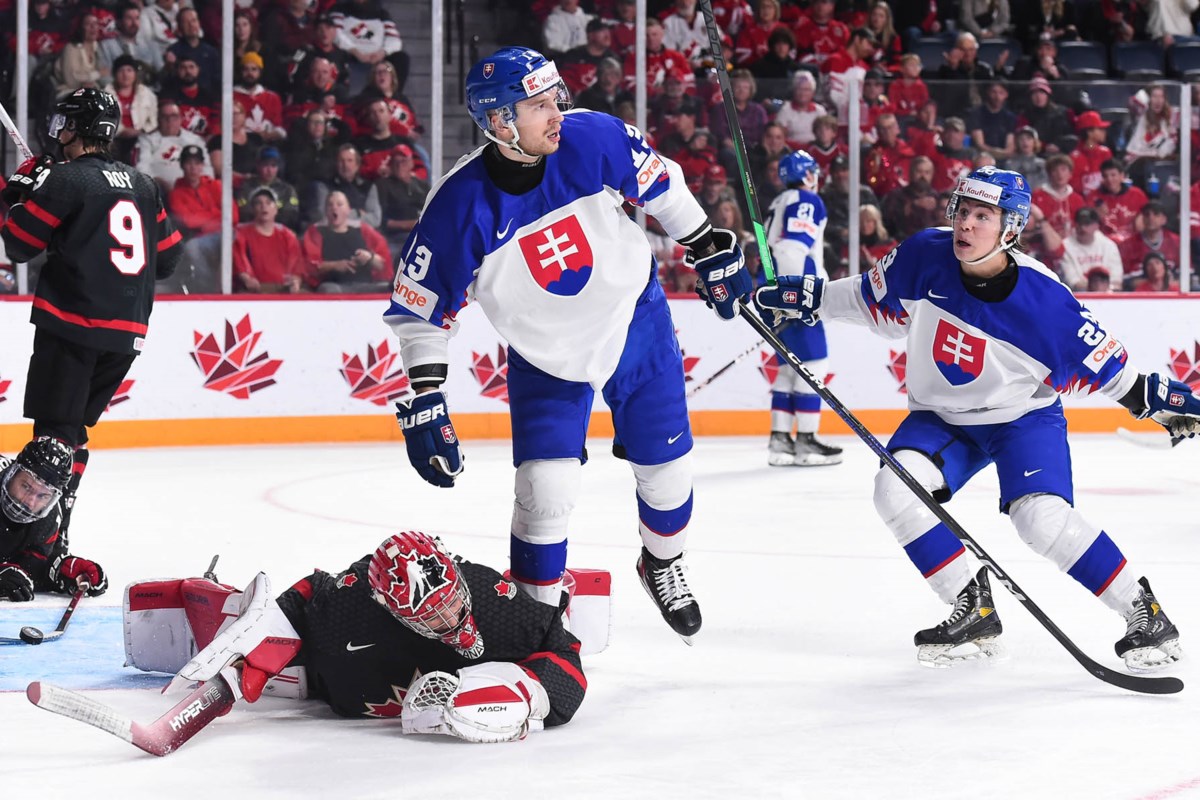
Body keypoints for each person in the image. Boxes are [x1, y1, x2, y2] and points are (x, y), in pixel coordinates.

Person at [755, 166, 1194, 672]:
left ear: (1010, 228)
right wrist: (808, 298)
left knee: (1039, 519)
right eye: (962, 211)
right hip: (943, 419)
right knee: (894, 490)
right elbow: (864, 299)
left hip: (1021, 421)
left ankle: (1144, 611)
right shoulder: (923, 254)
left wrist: (1164, 405)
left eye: (982, 215)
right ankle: (974, 607)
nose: (966, 224)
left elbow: (1120, 376)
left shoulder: (1048, 302)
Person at [382, 47, 750, 642]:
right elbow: (421, 312)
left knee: (669, 472)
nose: (557, 111)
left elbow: (661, 186)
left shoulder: (592, 137)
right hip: (545, 356)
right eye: (537, 104)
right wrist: (426, 400)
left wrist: (707, 245)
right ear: (500, 121)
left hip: (634, 321)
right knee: (544, 491)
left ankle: (661, 561)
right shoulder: (457, 206)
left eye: (556, 95)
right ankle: (537, 623)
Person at [126, 531, 586, 744]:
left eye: (451, 601)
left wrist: (528, 694)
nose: (450, 619)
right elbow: (306, 596)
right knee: (253, 635)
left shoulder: (494, 602)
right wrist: (263, 647)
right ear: (389, 608)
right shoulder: (351, 604)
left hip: (355, 688)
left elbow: (564, 650)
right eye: (430, 614)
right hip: (330, 682)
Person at [0, 88, 182, 548]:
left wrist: (18, 193)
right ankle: (56, 533)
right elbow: (168, 260)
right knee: (71, 436)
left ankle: (37, 546)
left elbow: (19, 244)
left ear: (77, 128)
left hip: (72, 323)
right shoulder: (144, 185)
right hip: (126, 336)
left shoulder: (66, 181)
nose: (58, 129)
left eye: (65, 121)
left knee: (52, 439)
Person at [761, 151, 844, 467]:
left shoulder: (780, 201)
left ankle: (780, 441)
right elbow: (792, 247)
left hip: (774, 289)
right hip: (795, 291)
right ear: (807, 174)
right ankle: (807, 442)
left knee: (787, 369)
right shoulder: (806, 199)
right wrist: (800, 293)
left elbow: (773, 249)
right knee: (815, 364)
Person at [0, 437, 108, 602]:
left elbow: (34, 565)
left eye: (43, 495)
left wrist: (61, 569)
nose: (29, 501)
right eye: (26, 486)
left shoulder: (48, 519)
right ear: (12, 473)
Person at [302, 190, 392, 293]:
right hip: (335, 285)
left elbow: (384, 265)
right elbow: (310, 266)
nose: (334, 208)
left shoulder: (364, 230)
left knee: (389, 288)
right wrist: (335, 265)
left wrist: (370, 257)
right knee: (329, 290)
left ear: (348, 210)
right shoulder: (316, 232)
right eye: (330, 205)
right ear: (326, 211)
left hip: (366, 285)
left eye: (339, 204)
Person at [233, 187, 307, 294]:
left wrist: (296, 281)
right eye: (258, 203)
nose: (264, 206)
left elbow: (297, 266)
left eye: (269, 202)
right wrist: (247, 279)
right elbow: (240, 262)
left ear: (276, 209)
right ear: (252, 209)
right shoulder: (241, 233)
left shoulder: (287, 235)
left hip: (284, 288)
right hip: (256, 290)